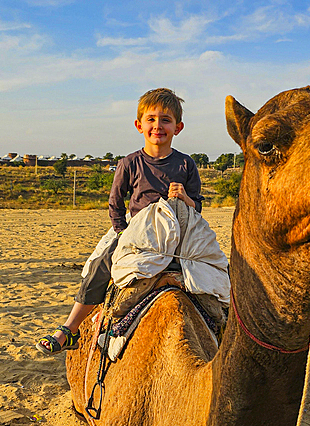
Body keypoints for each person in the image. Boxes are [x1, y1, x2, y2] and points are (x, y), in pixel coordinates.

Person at [36, 87, 204, 354]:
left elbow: (198, 207)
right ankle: (70, 328)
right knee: (101, 265)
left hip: (178, 234)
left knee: (217, 271)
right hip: (137, 234)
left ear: (178, 127)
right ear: (139, 125)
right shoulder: (130, 163)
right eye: (150, 119)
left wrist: (185, 197)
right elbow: (116, 203)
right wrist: (123, 233)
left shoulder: (186, 164)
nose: (157, 126)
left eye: (165, 120)